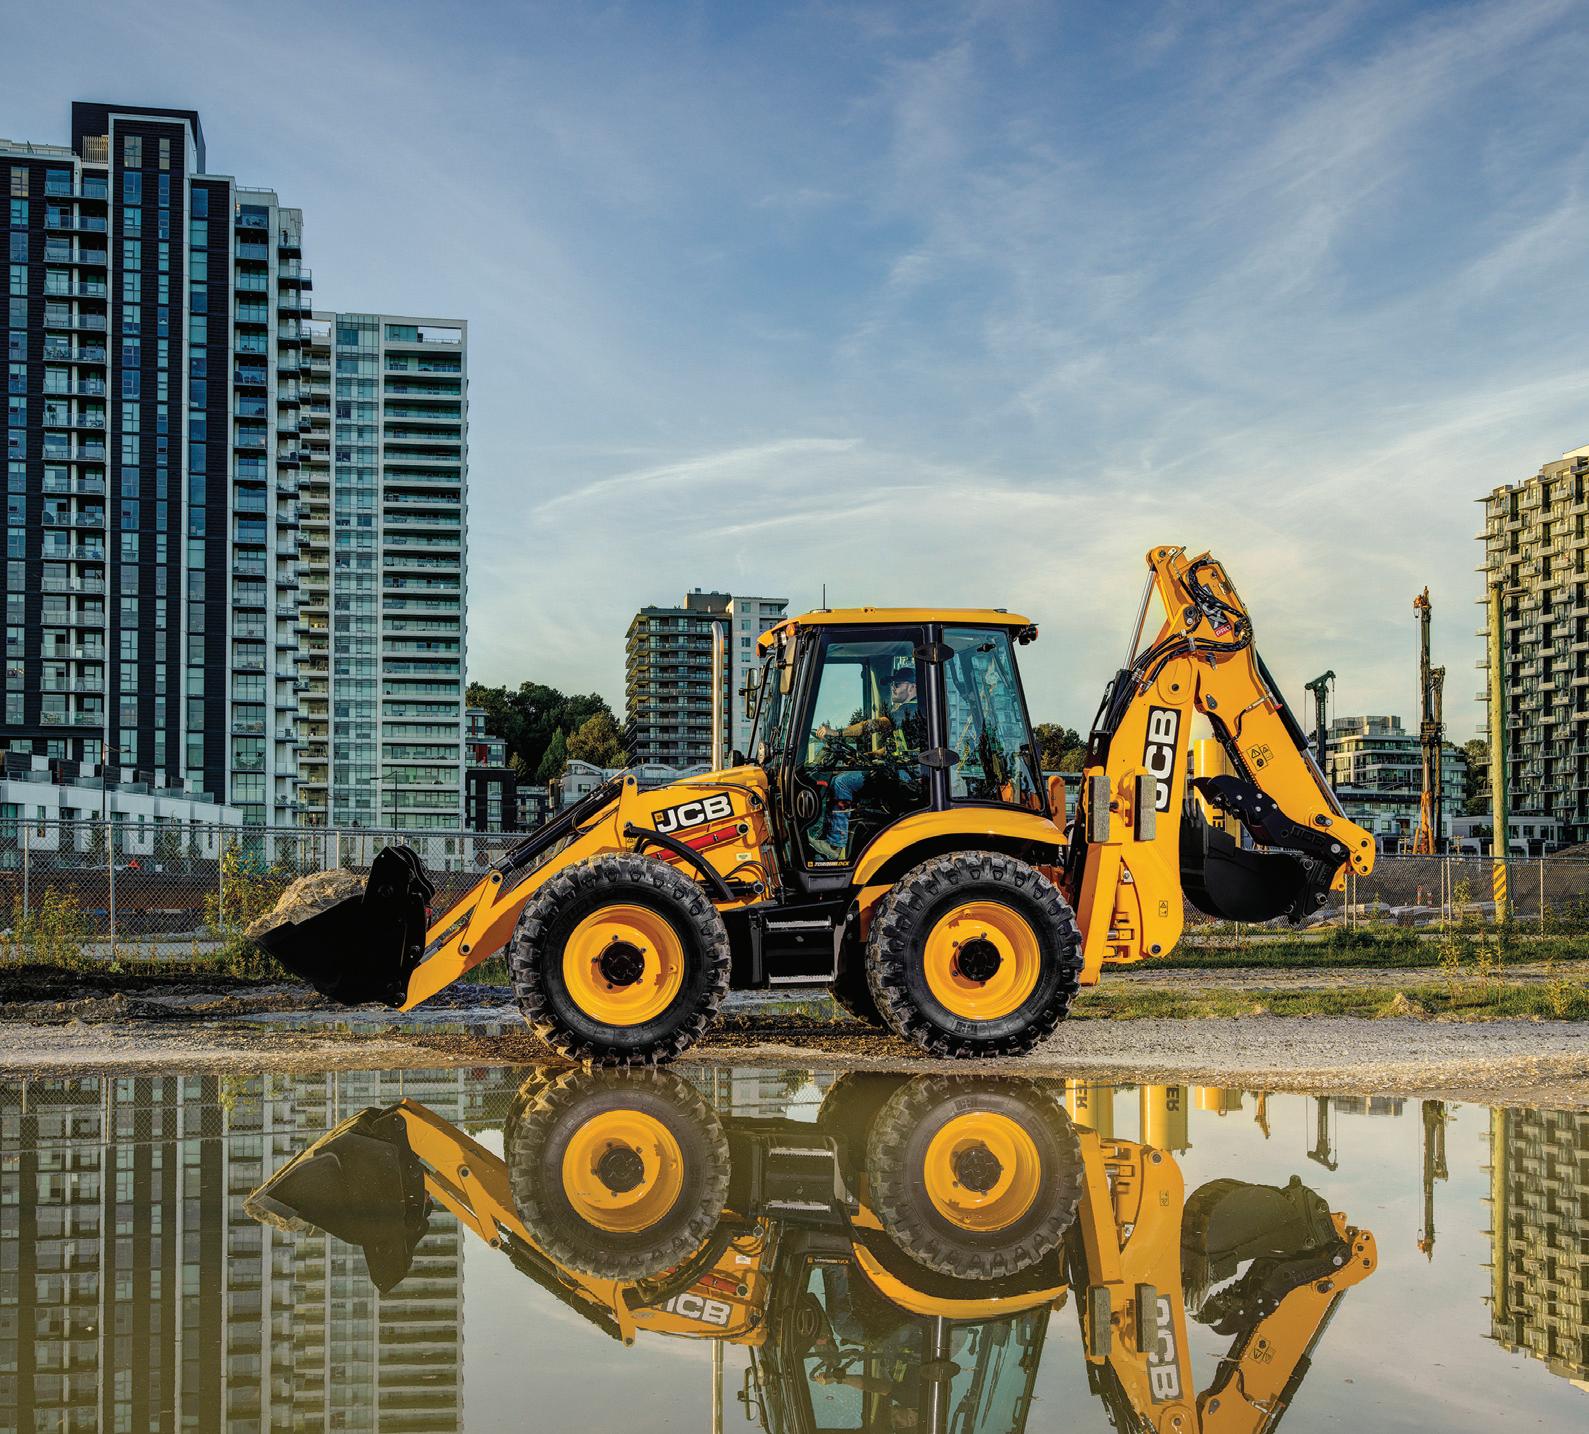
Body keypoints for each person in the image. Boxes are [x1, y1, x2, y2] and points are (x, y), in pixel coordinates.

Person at [812, 662, 925, 858]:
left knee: (842, 782)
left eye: (897, 684)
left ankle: (835, 845)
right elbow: (898, 748)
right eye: (892, 684)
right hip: (905, 770)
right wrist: (870, 756)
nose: (893, 688)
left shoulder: (910, 710)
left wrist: (838, 733)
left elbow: (873, 725)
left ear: (912, 687)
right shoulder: (913, 713)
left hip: (907, 775)